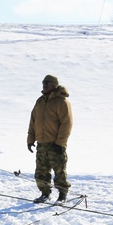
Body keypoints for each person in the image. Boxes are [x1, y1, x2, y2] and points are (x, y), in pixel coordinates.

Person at [27, 74, 73, 203]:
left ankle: (62, 195)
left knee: (59, 172)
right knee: (41, 172)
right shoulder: (40, 101)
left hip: (56, 144)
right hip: (41, 143)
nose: (44, 85)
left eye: (47, 83)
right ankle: (45, 194)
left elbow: (67, 124)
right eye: (43, 83)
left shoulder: (62, 102)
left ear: (54, 85)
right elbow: (33, 121)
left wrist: (60, 143)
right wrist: (30, 140)